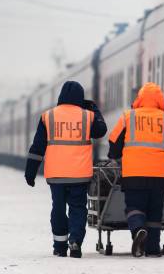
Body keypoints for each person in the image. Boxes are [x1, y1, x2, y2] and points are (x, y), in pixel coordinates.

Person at [24, 81, 106, 258]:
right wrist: (94, 109)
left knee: (58, 208)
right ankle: (75, 240)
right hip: (79, 174)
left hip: (56, 175)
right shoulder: (87, 116)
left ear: (60, 96)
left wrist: (30, 172)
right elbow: (101, 131)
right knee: (78, 207)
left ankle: (60, 246)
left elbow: (37, 147)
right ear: (80, 98)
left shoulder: (48, 116)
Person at [108, 82, 164, 258]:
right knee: (154, 212)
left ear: (139, 98)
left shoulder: (128, 117)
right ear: (160, 99)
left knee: (134, 207)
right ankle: (152, 248)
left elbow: (114, 144)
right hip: (159, 176)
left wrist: (114, 154)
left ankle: (138, 230)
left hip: (133, 174)